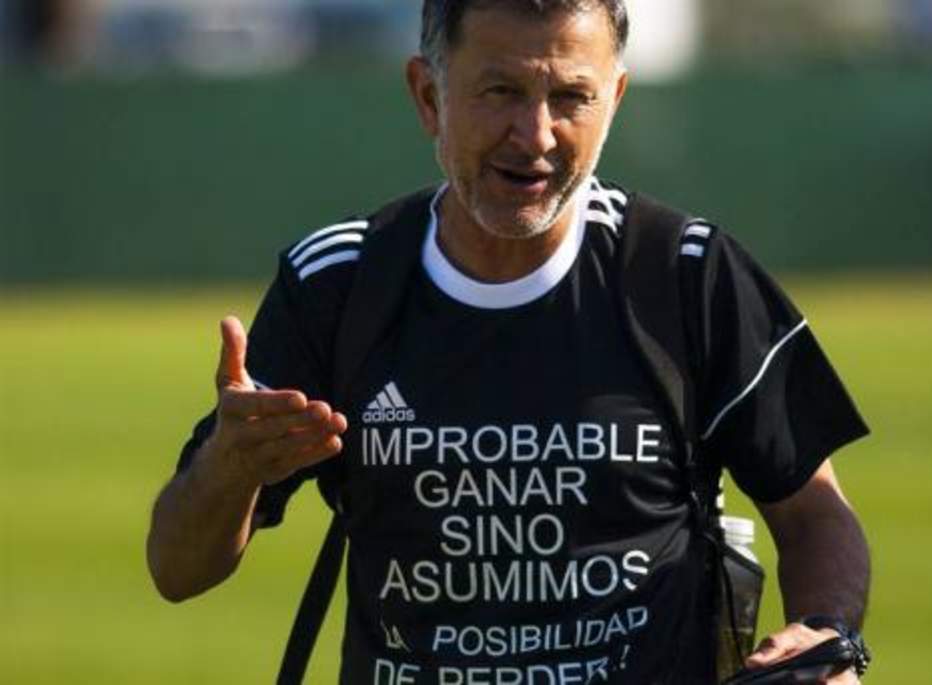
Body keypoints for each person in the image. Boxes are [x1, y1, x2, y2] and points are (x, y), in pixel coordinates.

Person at [145, 1, 872, 682]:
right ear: (428, 96)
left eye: (572, 97)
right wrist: (228, 469)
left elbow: (814, 513)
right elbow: (177, 569)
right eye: (501, 92)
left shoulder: (686, 275)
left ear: (615, 99)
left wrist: (828, 635)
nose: (536, 135)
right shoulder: (339, 282)